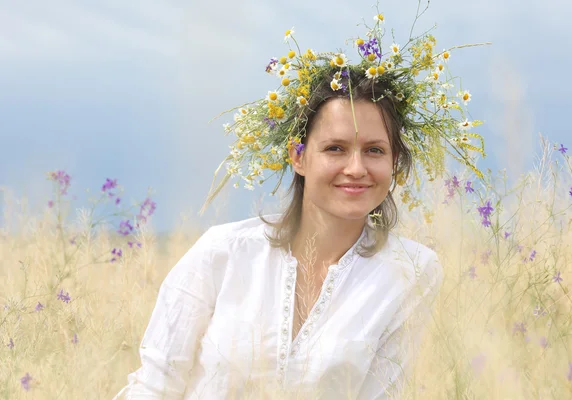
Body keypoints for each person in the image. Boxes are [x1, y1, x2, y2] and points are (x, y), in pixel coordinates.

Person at [115, 8, 485, 400]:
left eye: (374, 150)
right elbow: (153, 385)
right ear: (299, 156)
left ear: (394, 162)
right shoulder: (222, 252)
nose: (356, 168)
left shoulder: (411, 272)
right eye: (335, 149)